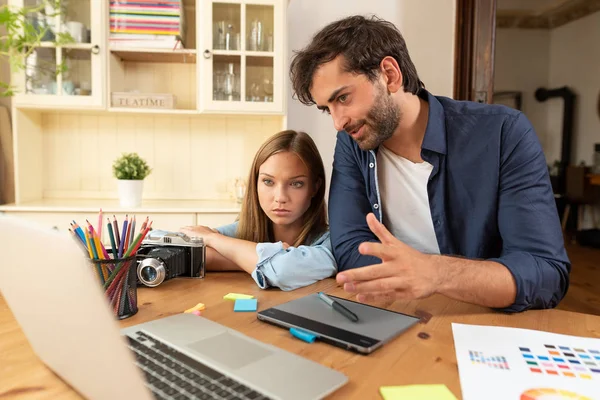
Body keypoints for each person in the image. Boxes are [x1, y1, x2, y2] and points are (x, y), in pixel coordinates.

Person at [289, 15, 570, 312]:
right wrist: (419, 276)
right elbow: (349, 247)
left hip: (487, 323)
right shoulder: (354, 141)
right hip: (403, 315)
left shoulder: (504, 133)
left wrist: (435, 273)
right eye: (327, 109)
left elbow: (545, 273)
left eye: (343, 98)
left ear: (389, 74)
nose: (337, 122)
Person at [180, 130, 336, 291]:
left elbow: (283, 270)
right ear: (255, 183)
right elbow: (186, 253)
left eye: (296, 184)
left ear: (315, 187)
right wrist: (253, 259)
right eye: (268, 181)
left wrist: (213, 239)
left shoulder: (332, 243)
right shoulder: (241, 230)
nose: (280, 197)